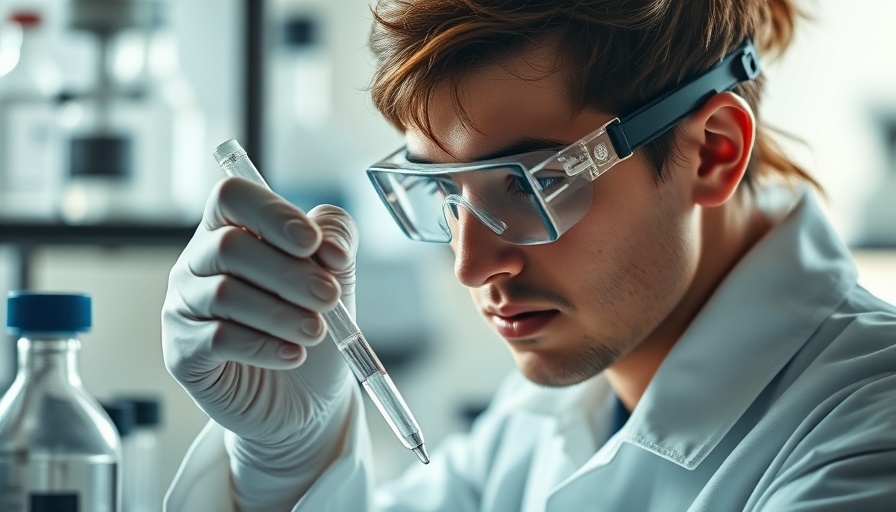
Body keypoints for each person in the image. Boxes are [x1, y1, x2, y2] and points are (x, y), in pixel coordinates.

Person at [161, 0, 896, 510]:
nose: (472, 266)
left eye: (528, 186)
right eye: (446, 195)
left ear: (713, 151)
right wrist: (287, 458)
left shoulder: (866, 435)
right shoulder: (542, 414)